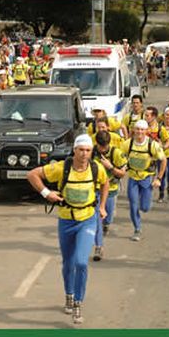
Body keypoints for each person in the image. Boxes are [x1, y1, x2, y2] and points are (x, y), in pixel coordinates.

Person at [27, 134, 108, 324]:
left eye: (88, 150)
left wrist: (102, 206)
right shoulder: (62, 168)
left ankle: (78, 303)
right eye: (81, 150)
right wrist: (47, 193)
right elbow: (32, 174)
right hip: (66, 221)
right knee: (68, 263)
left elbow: (105, 183)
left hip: (87, 220)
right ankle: (69, 294)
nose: (84, 154)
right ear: (74, 150)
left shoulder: (96, 168)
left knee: (81, 262)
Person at [120, 120, 166, 242]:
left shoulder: (152, 145)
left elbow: (163, 160)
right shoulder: (127, 144)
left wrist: (159, 178)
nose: (139, 132)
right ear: (134, 130)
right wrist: (122, 166)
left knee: (145, 207)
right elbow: (120, 157)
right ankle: (137, 228)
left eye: (142, 129)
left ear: (146, 131)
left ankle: (144, 204)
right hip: (133, 178)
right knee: (133, 204)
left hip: (146, 178)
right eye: (137, 129)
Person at [91, 131, 127, 260]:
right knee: (97, 220)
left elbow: (122, 174)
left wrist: (110, 167)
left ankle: (107, 225)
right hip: (95, 190)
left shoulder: (116, 153)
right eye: (100, 146)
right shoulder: (91, 152)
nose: (102, 149)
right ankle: (98, 247)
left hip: (111, 189)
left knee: (108, 217)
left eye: (104, 146)